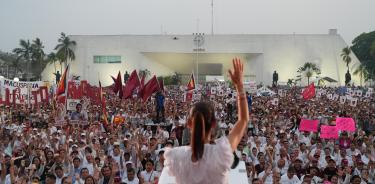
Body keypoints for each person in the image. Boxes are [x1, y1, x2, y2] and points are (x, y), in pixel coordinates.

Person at [159, 58, 249, 183]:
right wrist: (239, 86)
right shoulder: (221, 151)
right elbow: (243, 120)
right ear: (213, 123)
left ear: (189, 124)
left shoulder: (176, 157)